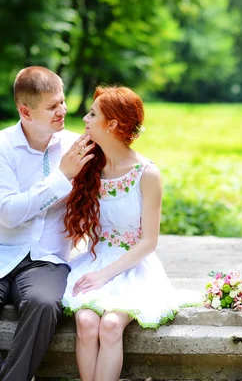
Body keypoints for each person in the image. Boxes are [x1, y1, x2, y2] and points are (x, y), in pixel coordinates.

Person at [0, 66, 95, 381]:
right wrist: (62, 177)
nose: (63, 110)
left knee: (44, 305)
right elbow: (9, 212)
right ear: (25, 111)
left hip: (47, 259)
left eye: (62, 101)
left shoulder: (78, 147)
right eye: (52, 106)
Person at [61, 86, 197, 381]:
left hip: (133, 266)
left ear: (112, 125)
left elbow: (149, 242)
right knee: (85, 322)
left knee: (110, 325)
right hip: (96, 259)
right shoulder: (88, 165)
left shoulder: (146, 173)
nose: (84, 118)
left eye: (92, 113)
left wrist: (104, 275)